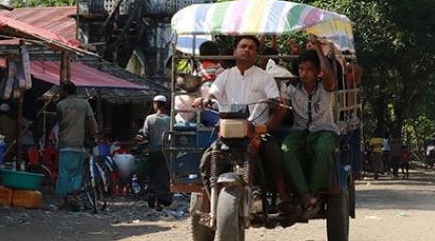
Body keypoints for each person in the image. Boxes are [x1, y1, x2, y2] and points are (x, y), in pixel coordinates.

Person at [195, 36, 292, 215]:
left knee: (275, 154)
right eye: (243, 46)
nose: (247, 50)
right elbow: (212, 95)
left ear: (256, 53)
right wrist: (205, 100)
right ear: (235, 51)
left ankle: (282, 194)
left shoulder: (265, 78)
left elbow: (277, 102)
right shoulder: (225, 76)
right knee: (206, 161)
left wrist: (270, 120)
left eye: (251, 47)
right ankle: (209, 200)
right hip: (228, 132)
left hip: (256, 132)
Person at [281, 40, 337, 218]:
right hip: (298, 132)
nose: (304, 73)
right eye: (301, 69)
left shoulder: (326, 86)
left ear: (318, 72)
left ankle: (315, 191)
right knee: (285, 149)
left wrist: (319, 50)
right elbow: (283, 109)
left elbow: (329, 75)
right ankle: (305, 194)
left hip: (324, 130)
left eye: (309, 69)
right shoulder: (290, 87)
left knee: (323, 148)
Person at [54, 81, 98, 209]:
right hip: (80, 144)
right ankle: (74, 196)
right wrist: (93, 135)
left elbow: (60, 123)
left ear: (66, 91)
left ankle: (65, 200)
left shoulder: (60, 105)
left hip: (65, 143)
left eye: (61, 90)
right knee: (77, 173)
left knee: (64, 172)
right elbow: (91, 121)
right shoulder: (84, 103)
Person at [136, 95, 173, 211]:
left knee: (154, 176)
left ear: (155, 104)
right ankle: (164, 199)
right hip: (167, 152)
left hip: (154, 152)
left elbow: (145, 135)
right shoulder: (171, 120)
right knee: (165, 176)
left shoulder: (150, 119)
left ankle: (155, 198)